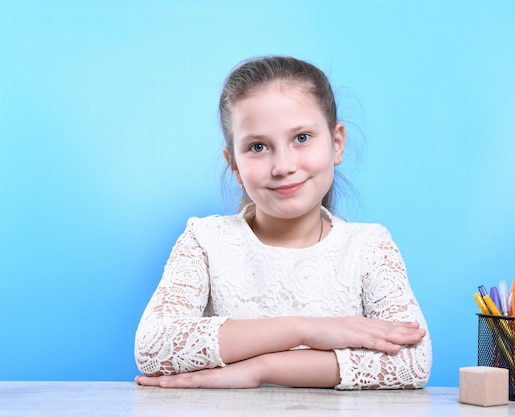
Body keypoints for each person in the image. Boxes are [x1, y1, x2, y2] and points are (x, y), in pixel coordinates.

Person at [134, 56, 432, 390]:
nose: (283, 165)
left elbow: (412, 362)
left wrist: (262, 368)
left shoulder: (369, 247)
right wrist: (304, 330)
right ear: (233, 164)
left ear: (336, 143)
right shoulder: (205, 241)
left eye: (302, 138)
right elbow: (153, 346)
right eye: (257, 146)